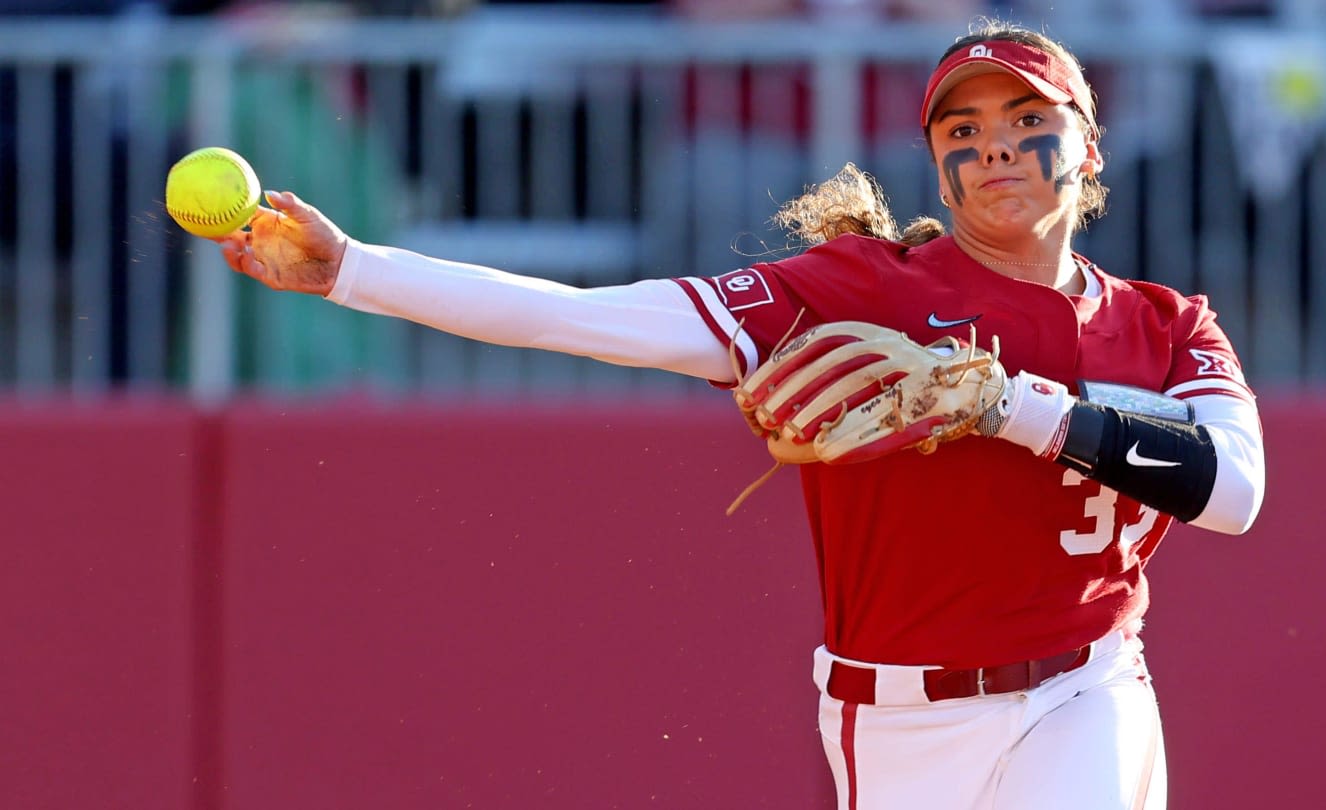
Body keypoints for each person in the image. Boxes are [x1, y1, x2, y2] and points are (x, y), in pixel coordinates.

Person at [212, 18, 1265, 810]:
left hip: (1087, 688)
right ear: (937, 158)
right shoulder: (864, 287)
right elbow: (584, 318)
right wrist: (353, 270)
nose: (995, 145)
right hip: (891, 713)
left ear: (1088, 146)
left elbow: (1234, 493)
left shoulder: (1169, 325)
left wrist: (1014, 404)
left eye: (1030, 120)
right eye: (964, 125)